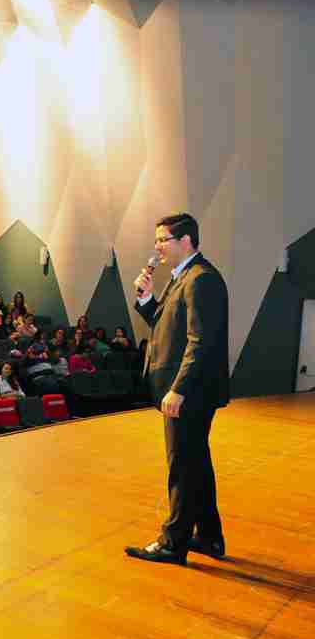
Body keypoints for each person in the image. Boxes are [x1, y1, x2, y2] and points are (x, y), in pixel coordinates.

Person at [126, 213, 229, 565]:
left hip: (191, 392)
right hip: (190, 390)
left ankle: (173, 543)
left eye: (162, 240)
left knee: (182, 466)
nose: (156, 247)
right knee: (196, 463)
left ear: (185, 240)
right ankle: (210, 537)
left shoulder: (201, 279)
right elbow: (165, 326)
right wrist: (146, 299)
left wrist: (179, 389)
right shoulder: (182, 277)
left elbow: (200, 341)